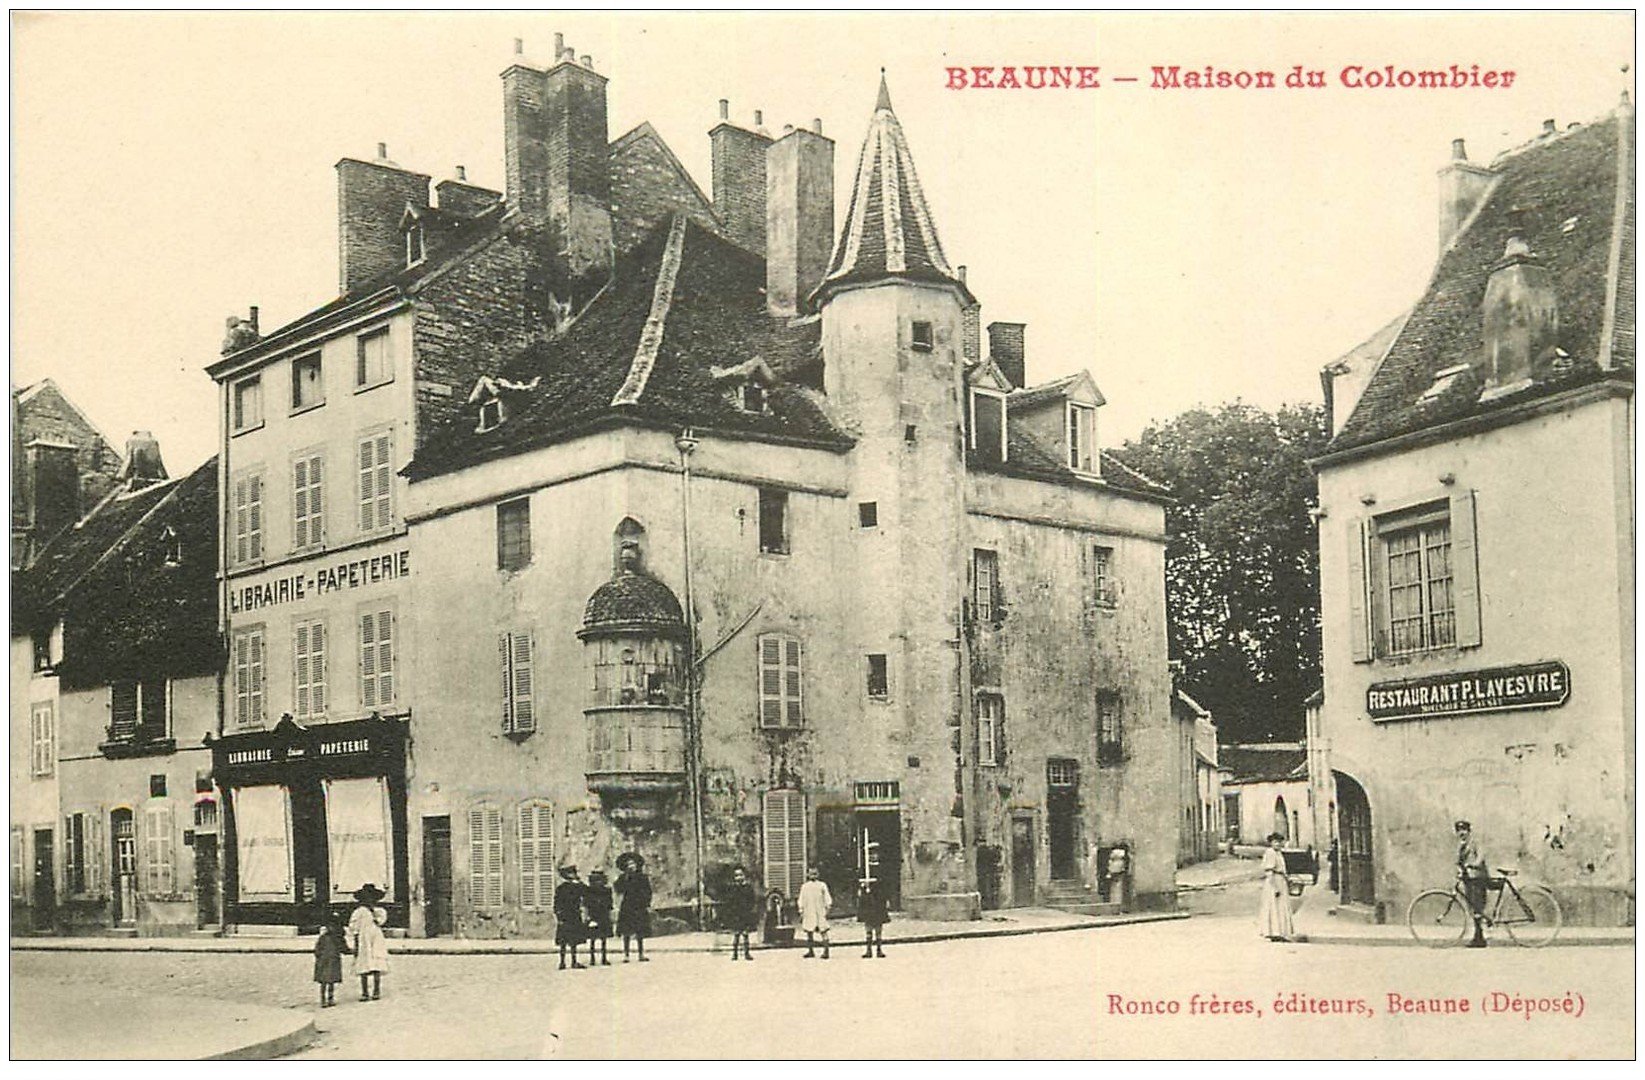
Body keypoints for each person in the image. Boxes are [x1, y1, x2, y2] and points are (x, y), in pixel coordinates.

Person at [346, 883, 390, 1001]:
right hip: (363, 939)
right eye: (366, 898)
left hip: (376, 939)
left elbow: (380, 922)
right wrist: (355, 944)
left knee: (377, 963)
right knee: (363, 964)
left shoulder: (380, 911)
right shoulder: (358, 912)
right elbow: (354, 928)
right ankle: (365, 992)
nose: (369, 900)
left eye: (372, 898)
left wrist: (373, 912)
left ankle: (376, 991)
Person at [1455, 820, 1490, 949]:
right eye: (1459, 831)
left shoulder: (1475, 842)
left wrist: (1473, 864)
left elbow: (1481, 857)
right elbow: (1458, 861)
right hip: (1468, 879)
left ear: (1469, 831)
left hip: (1478, 878)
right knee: (1472, 908)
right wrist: (1459, 869)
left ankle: (1479, 937)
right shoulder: (1461, 846)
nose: (1461, 833)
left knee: (1477, 907)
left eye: (1464, 830)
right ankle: (1478, 936)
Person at [614, 852, 653, 963]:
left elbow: (648, 891)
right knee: (626, 932)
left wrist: (647, 903)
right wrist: (625, 877)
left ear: (637, 865)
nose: (631, 866)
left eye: (633, 863)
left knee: (640, 931)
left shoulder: (642, 877)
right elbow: (618, 889)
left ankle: (641, 954)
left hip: (639, 906)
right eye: (629, 864)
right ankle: (626, 955)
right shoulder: (623, 877)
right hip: (627, 906)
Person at [1256, 833, 1294, 942]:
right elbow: (1269, 871)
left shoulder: (1278, 853)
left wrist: (1287, 878)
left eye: (1279, 842)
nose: (1277, 844)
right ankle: (1273, 932)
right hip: (1274, 881)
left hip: (1281, 880)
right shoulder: (1270, 853)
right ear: (1271, 843)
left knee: (1281, 907)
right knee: (1274, 906)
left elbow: (1282, 868)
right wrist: (1274, 887)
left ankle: (1280, 932)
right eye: (1275, 842)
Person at [555, 865, 588, 970]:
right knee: (564, 941)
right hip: (567, 915)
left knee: (573, 940)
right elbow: (557, 903)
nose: (573, 875)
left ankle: (571, 962)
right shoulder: (562, 888)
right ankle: (563, 962)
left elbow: (586, 892)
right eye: (571, 873)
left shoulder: (576, 887)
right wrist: (559, 917)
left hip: (573, 915)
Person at [723, 867, 759, 961]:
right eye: (736, 876)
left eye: (740, 875)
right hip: (736, 914)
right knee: (736, 934)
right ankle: (734, 954)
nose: (739, 877)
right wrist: (731, 912)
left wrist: (750, 910)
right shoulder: (733, 888)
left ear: (744, 876)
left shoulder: (748, 888)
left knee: (746, 934)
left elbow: (752, 900)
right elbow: (729, 902)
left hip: (746, 913)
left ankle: (747, 953)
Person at [796, 867, 832, 959]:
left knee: (823, 930)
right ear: (808, 875)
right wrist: (801, 909)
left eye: (815, 874)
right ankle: (811, 950)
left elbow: (827, 897)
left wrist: (828, 907)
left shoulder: (822, 885)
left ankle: (826, 951)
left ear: (818, 874)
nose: (813, 876)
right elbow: (801, 899)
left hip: (820, 910)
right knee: (809, 931)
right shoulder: (805, 886)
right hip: (809, 911)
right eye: (811, 874)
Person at [312, 910, 346, 1008]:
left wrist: (318, 956)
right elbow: (343, 947)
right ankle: (327, 999)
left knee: (326, 981)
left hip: (327, 960)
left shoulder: (327, 937)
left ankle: (326, 999)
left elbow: (317, 949)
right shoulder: (334, 937)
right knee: (329, 981)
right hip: (330, 960)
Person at [584, 868, 614, 967]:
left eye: (600, 880)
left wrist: (610, 915)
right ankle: (592, 958)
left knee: (603, 938)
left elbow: (610, 904)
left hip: (603, 915)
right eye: (596, 880)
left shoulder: (607, 890)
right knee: (592, 939)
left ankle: (604, 957)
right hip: (594, 915)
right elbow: (586, 904)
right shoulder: (589, 890)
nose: (598, 882)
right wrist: (587, 916)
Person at [857, 878, 888, 958]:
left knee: (878, 931)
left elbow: (882, 898)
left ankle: (878, 949)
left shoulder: (880, 889)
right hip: (869, 911)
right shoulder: (864, 890)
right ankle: (869, 950)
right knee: (869, 931)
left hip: (877, 910)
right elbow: (862, 901)